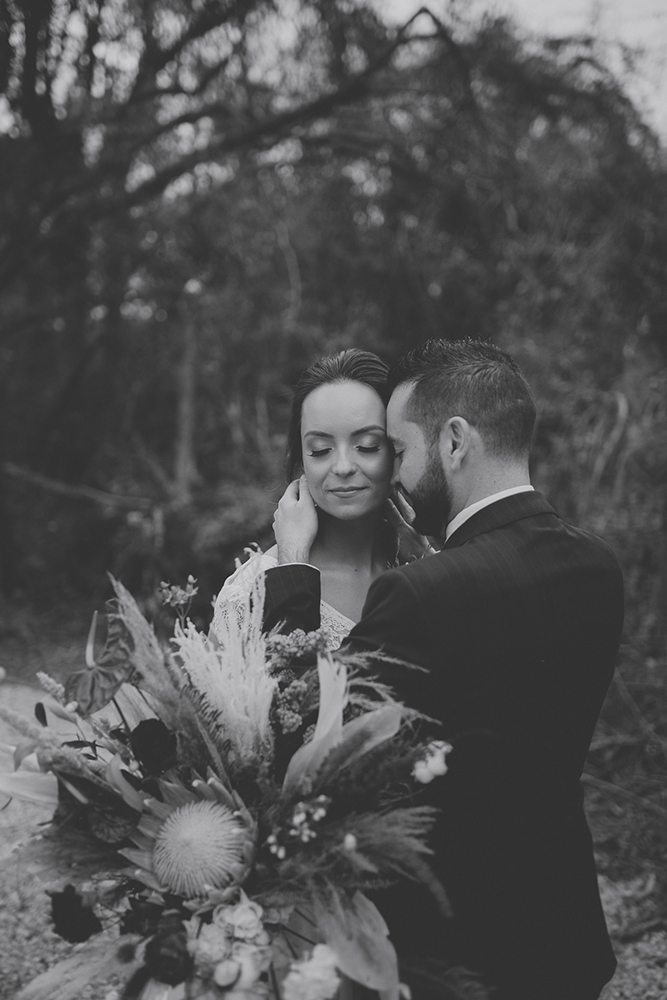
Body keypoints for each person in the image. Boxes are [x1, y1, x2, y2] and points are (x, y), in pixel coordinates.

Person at [262, 338, 624, 1000]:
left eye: (398, 452)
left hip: (446, 952)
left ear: (454, 442)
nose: (389, 476)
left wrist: (291, 571)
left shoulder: (420, 594)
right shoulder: (598, 570)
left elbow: (302, 747)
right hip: (563, 936)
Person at [210, 348, 427, 648]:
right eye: (321, 451)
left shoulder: (429, 565)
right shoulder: (251, 592)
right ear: (301, 460)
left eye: (367, 446)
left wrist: (425, 561)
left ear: (396, 449)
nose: (342, 467)